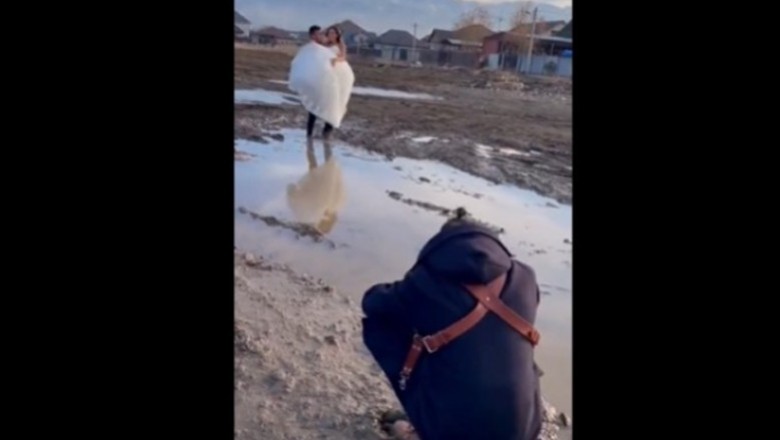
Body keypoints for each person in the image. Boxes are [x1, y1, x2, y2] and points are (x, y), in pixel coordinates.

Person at [361, 208, 546, 440]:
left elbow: (373, 304)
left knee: (384, 325)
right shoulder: (526, 276)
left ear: (441, 246)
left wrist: (408, 290)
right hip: (524, 429)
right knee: (507, 340)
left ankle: (423, 423)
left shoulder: (426, 280)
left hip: (452, 432)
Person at [289, 25, 355, 140]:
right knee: (314, 104)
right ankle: (309, 134)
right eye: (329, 33)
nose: (331, 35)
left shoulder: (341, 45)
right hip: (323, 79)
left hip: (335, 78)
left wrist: (336, 59)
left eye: (334, 33)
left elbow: (343, 57)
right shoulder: (323, 45)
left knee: (332, 104)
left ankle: (326, 134)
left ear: (338, 35)